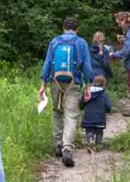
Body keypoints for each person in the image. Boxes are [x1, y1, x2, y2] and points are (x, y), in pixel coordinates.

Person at [38, 17, 92, 168]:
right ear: (77, 30)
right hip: (73, 82)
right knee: (71, 115)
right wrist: (88, 86)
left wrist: (43, 85)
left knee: (57, 111)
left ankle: (57, 145)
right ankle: (67, 148)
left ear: (63, 28)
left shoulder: (55, 41)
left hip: (55, 81)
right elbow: (87, 66)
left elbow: (47, 63)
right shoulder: (81, 43)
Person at [79, 74, 111, 149]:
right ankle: (98, 143)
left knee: (89, 129)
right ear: (104, 84)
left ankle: (89, 137)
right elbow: (108, 106)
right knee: (99, 131)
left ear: (93, 82)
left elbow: (81, 103)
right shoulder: (104, 95)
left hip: (88, 117)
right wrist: (107, 110)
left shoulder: (87, 93)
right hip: (100, 118)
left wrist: (82, 107)